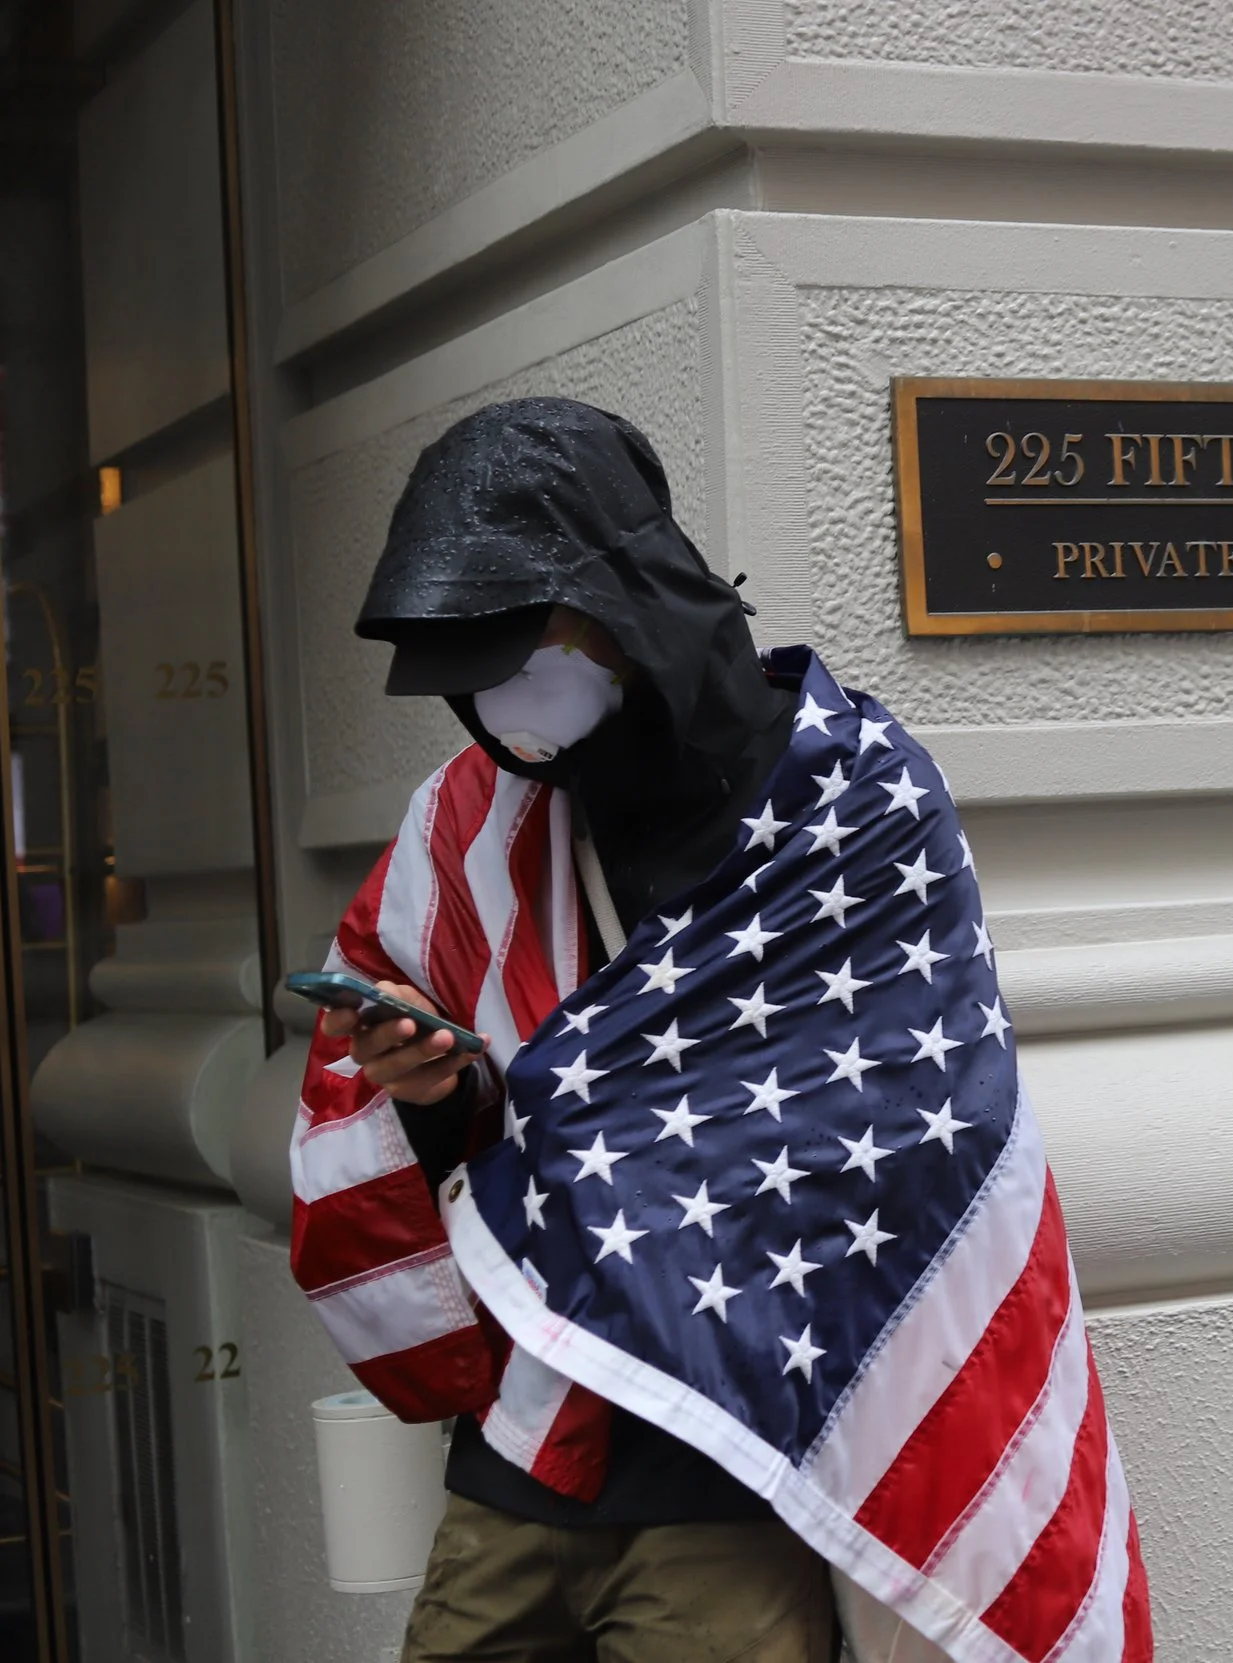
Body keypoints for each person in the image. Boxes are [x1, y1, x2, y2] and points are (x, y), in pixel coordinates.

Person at [296, 399, 836, 1660]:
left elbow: (893, 1114)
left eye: (517, 648)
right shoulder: (470, 820)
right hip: (525, 1438)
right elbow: (466, 1121)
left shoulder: (829, 794)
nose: (495, 703)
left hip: (721, 1456)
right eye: (463, 669)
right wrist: (431, 1090)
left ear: (625, 601)